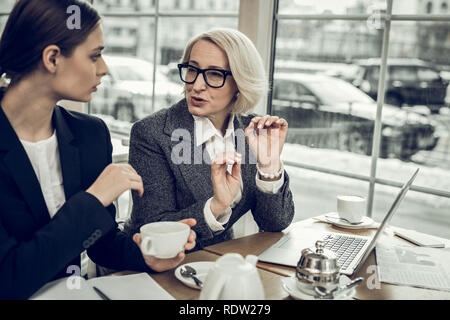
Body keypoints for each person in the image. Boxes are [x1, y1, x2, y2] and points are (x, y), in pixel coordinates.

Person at [0, 0, 196, 299]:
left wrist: (144, 255)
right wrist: (94, 199)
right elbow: (8, 279)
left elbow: (100, 244)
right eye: (95, 56)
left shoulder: (90, 133)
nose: (104, 69)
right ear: (52, 58)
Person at [124, 28, 295, 249]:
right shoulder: (151, 133)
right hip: (149, 266)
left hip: (217, 260)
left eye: (214, 74)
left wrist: (269, 168)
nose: (196, 85)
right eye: (192, 70)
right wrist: (215, 206)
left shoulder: (253, 132)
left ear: (241, 83)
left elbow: (275, 222)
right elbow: (153, 228)